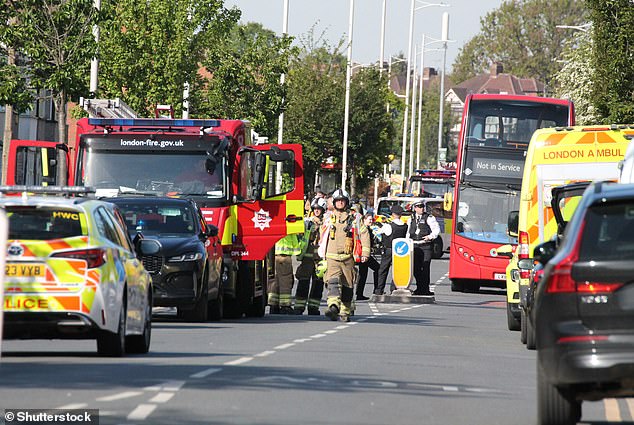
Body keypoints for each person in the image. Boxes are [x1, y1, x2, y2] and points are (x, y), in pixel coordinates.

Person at [318, 188, 370, 322]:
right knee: (332, 282)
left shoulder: (355, 218)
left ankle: (345, 312)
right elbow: (322, 235)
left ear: (346, 202)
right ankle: (333, 306)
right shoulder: (328, 217)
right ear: (334, 202)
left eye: (342, 201)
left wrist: (365, 252)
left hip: (348, 258)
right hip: (331, 256)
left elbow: (364, 235)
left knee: (348, 286)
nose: (340, 203)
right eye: (338, 201)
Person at [294, 197, 327, 315]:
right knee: (303, 281)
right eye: (315, 209)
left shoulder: (326, 223)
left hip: (320, 258)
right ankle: (299, 307)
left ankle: (313, 308)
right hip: (307, 257)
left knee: (318, 283)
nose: (317, 211)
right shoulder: (307, 222)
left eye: (319, 209)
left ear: (323, 210)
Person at [374, 205, 408, 296]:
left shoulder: (388, 226)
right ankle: (394, 288)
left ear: (392, 214)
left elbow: (378, 233)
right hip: (400, 250)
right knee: (397, 270)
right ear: (401, 214)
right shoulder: (405, 226)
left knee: (383, 270)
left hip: (388, 250)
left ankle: (379, 289)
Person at [408, 200, 440, 295]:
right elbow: (408, 232)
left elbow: (436, 229)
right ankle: (419, 288)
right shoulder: (411, 218)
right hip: (414, 245)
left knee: (425, 267)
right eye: (419, 207)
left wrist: (430, 237)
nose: (421, 208)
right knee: (416, 268)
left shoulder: (429, 217)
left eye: (422, 207)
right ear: (415, 208)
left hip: (425, 246)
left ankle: (425, 289)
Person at [269, 233, 302, 314]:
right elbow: (295, 242)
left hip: (272, 256)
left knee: (274, 281)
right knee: (285, 281)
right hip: (284, 257)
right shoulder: (289, 225)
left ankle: (273, 305)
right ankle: (285, 306)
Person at [355, 213, 380, 300]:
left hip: (363, 254)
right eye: (369, 219)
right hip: (364, 255)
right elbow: (365, 243)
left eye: (371, 219)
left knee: (363, 274)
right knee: (378, 268)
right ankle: (377, 290)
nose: (371, 221)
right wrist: (365, 255)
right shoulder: (364, 229)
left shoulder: (365, 228)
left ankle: (359, 294)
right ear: (364, 220)